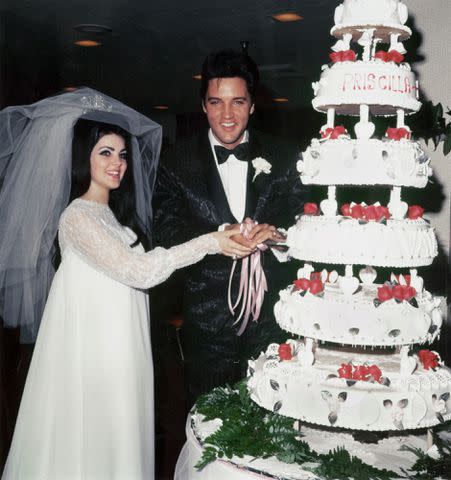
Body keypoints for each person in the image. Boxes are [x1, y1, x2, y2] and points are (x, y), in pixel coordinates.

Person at [0, 88, 249, 480]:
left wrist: (221, 237)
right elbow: (141, 272)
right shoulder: (77, 218)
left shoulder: (111, 217)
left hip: (122, 350)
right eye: (105, 152)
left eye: (122, 154)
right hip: (97, 359)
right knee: (95, 444)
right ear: (83, 157)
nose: (117, 163)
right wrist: (209, 243)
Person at [153, 50, 307, 410]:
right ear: (203, 106)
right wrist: (217, 237)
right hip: (207, 329)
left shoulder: (286, 156)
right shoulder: (175, 163)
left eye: (238, 102)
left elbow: (310, 221)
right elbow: (165, 232)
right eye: (216, 102)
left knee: (274, 427)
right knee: (210, 427)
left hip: (273, 326)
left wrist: (281, 237)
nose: (227, 115)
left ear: (253, 105)